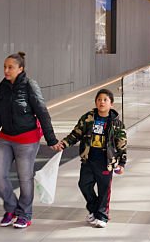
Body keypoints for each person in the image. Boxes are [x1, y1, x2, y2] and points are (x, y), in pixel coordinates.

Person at [0, 52, 58, 229]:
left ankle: (25, 214)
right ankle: (11, 208)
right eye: (5, 67)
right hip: (6, 137)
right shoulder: (3, 86)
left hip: (27, 139)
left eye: (10, 67)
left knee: (24, 178)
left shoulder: (30, 85)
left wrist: (51, 139)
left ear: (20, 68)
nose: (6, 70)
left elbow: (42, 112)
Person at [53, 89, 127, 228]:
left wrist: (122, 162)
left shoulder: (116, 123)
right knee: (84, 184)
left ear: (111, 104)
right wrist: (64, 143)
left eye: (105, 100)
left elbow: (122, 143)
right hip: (89, 159)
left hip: (106, 161)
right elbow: (76, 134)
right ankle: (94, 210)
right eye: (99, 99)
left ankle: (102, 217)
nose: (102, 102)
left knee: (104, 189)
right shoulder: (88, 118)